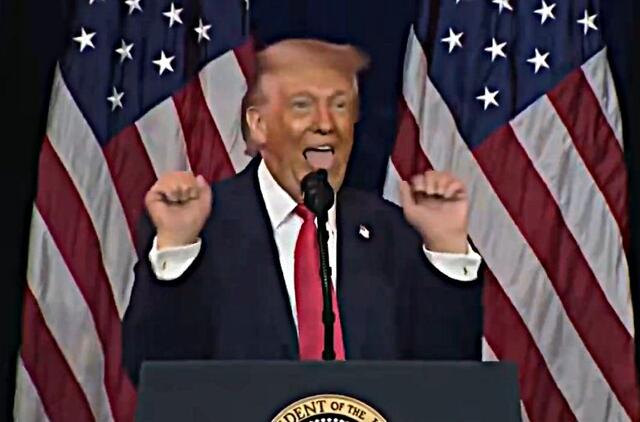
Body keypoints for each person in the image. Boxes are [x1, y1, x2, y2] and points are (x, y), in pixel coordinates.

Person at [122, 38, 484, 385]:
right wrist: (177, 249)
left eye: (340, 106)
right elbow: (155, 374)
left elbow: (446, 382)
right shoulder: (200, 228)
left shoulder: (392, 231)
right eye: (302, 105)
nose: (325, 124)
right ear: (259, 124)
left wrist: (447, 249)